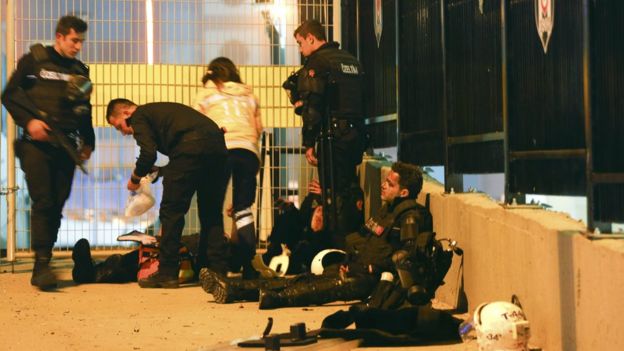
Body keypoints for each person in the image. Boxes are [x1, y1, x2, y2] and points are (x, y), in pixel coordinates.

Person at [200, 162, 433, 310]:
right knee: (299, 280)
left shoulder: (410, 215)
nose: (383, 186)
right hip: (353, 265)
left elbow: (405, 257)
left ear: (404, 192)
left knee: (317, 289)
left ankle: (273, 299)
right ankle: (233, 288)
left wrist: (367, 269)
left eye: (389, 184)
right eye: (384, 181)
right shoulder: (388, 211)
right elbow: (360, 241)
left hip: (371, 280)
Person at [1, 15, 94, 290]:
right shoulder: (35, 60)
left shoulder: (80, 69)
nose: (78, 46)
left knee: (57, 203)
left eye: (81, 41)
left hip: (66, 146)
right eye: (74, 40)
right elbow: (9, 95)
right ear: (60, 37)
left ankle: (45, 256)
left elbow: (84, 110)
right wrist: (29, 121)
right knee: (43, 200)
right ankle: (41, 265)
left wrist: (89, 142)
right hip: (35, 144)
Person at [105, 99, 229, 288]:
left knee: (172, 212)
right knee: (211, 213)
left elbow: (148, 154)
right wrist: (162, 171)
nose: (124, 133)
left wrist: (134, 179)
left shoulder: (139, 116)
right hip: (218, 149)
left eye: (119, 127)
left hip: (190, 148)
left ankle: (167, 272)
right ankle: (217, 271)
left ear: (126, 112)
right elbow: (189, 152)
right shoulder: (163, 113)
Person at [283, 19, 366, 248]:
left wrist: (308, 143)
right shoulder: (351, 61)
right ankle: (353, 241)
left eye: (300, 43)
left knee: (331, 194)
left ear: (311, 38)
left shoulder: (318, 63)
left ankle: (335, 249)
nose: (301, 50)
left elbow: (313, 109)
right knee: (349, 189)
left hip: (334, 137)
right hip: (356, 136)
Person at [193, 57, 263, 280]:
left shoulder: (206, 94)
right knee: (243, 209)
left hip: (221, 150)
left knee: (212, 207)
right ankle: (247, 263)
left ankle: (217, 266)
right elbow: (258, 128)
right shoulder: (249, 95)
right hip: (248, 150)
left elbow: (198, 128)